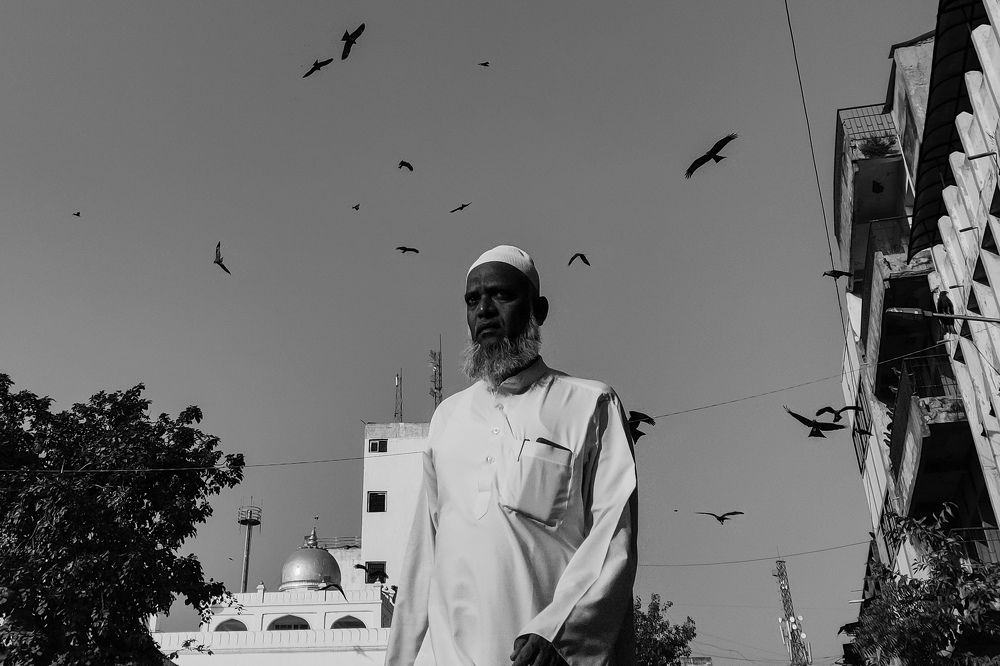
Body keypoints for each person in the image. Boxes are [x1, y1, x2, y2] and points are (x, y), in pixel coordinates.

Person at [386, 245, 638, 666]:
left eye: (501, 295)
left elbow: (614, 539)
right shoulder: (447, 419)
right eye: (472, 300)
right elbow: (421, 562)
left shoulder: (589, 405)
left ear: (538, 310)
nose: (484, 309)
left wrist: (558, 633)